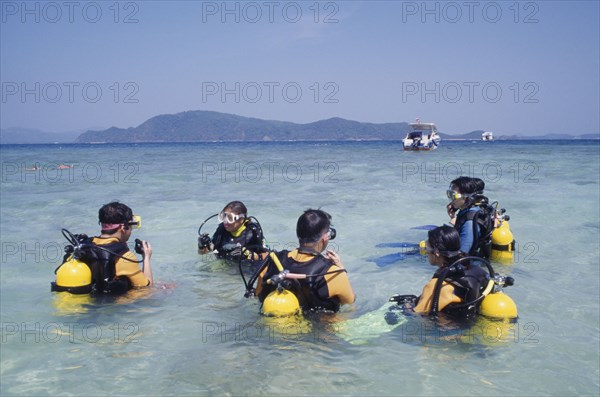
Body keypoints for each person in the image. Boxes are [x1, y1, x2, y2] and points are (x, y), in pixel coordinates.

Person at [255, 209, 355, 313]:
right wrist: (341, 268)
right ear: (325, 237)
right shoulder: (332, 273)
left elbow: (258, 295)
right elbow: (350, 302)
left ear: (298, 233)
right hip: (318, 327)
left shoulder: (273, 260)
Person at [52, 201, 153, 295]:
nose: (131, 231)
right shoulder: (123, 256)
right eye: (131, 226)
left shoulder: (83, 246)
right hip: (111, 310)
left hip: (84, 305)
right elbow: (146, 290)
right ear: (123, 228)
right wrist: (146, 257)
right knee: (163, 288)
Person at [391, 225, 489, 319]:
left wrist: (406, 306)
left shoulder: (437, 285)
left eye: (427, 249)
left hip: (449, 332)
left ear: (436, 253)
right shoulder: (476, 270)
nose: (426, 253)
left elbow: (417, 315)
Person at [198, 201, 267, 262]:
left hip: (245, 268)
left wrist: (250, 255)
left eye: (230, 218)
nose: (225, 221)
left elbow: (268, 255)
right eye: (224, 216)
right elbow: (204, 252)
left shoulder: (253, 231)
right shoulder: (222, 229)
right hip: (225, 266)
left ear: (241, 219)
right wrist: (202, 246)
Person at [446, 176, 492, 257]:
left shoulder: (469, 223)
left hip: (468, 264)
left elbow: (462, 255)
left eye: (453, 196)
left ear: (466, 197)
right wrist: (453, 218)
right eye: (449, 194)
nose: (451, 199)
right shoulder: (467, 210)